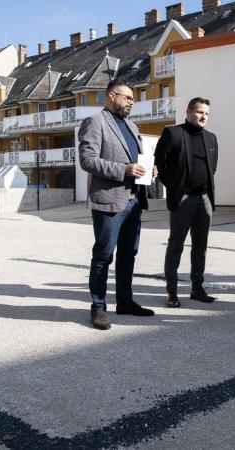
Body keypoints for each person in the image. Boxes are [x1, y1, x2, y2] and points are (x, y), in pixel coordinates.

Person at [78, 79, 157, 330]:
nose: (131, 102)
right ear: (112, 96)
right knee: (103, 256)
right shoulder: (95, 122)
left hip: (134, 200)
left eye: (133, 99)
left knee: (128, 254)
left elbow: (136, 159)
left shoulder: (132, 126)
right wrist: (123, 170)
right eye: (127, 98)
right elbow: (87, 161)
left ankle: (125, 301)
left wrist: (148, 171)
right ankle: (98, 307)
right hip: (110, 202)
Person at [155, 97, 219, 308]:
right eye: (200, 112)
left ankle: (197, 288)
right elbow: (159, 164)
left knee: (200, 247)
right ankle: (172, 292)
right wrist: (175, 188)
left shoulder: (211, 139)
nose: (203, 117)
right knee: (176, 246)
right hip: (183, 200)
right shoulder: (173, 133)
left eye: (207, 114)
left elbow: (212, 168)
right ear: (189, 112)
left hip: (204, 200)